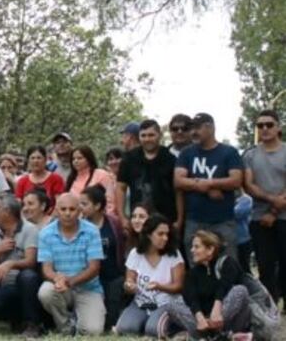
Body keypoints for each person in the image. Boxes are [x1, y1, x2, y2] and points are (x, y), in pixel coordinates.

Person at [37, 193, 106, 335]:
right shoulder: (45, 233)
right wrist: (57, 279)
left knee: (92, 331)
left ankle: (79, 320)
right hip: (61, 287)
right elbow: (46, 268)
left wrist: (70, 281)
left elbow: (94, 268)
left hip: (88, 288)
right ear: (56, 210)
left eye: (72, 209)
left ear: (79, 211)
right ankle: (66, 326)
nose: (67, 213)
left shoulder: (92, 231)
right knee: (46, 292)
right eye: (63, 209)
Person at [164, 230, 251, 339]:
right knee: (172, 303)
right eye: (192, 247)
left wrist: (217, 310)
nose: (192, 250)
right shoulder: (192, 273)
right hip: (202, 324)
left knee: (240, 290)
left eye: (196, 247)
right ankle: (212, 336)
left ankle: (223, 334)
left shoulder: (227, 263)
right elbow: (191, 298)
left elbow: (224, 285)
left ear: (210, 249)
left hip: (229, 320)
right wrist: (200, 318)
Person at [175, 112, 243, 251]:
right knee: (197, 267)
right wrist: (205, 186)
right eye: (192, 128)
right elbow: (178, 181)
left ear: (211, 128)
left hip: (223, 222)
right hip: (194, 221)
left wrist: (209, 183)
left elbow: (236, 181)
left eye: (198, 128)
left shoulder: (229, 152)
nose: (193, 132)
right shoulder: (186, 153)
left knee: (226, 267)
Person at [0, 196, 42, 337]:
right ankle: (15, 320)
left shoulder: (29, 229)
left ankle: (32, 325)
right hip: (4, 286)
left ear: (6, 211)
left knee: (27, 276)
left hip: (27, 286)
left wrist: (10, 263)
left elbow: (31, 261)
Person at [242, 108, 286, 304]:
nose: (265, 128)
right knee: (265, 265)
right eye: (260, 125)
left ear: (278, 127)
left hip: (284, 217)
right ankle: (270, 305)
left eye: (269, 124)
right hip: (259, 218)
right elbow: (248, 185)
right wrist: (271, 201)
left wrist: (275, 211)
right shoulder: (250, 155)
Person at [116, 214, 184, 336]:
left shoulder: (173, 254)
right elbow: (129, 280)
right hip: (140, 302)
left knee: (153, 331)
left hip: (166, 303)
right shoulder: (135, 253)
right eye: (160, 234)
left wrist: (159, 286)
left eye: (167, 234)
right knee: (126, 329)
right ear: (148, 234)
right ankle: (141, 321)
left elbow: (178, 286)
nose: (165, 238)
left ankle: (173, 328)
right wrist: (130, 286)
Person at [116, 119, 179, 229]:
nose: (147, 139)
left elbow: (178, 191)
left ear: (159, 135)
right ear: (139, 137)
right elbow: (121, 188)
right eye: (143, 135)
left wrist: (179, 220)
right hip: (138, 221)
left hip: (165, 220)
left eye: (151, 135)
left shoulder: (170, 159)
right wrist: (122, 217)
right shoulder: (129, 159)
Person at [79, 185, 126, 329]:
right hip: (89, 279)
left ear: (98, 205)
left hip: (112, 277)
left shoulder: (113, 223)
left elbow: (122, 245)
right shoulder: (79, 225)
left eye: (84, 204)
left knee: (110, 320)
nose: (80, 207)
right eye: (79, 203)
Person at [66, 145, 117, 215]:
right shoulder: (71, 179)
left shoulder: (101, 174)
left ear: (88, 159)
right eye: (73, 159)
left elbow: (110, 200)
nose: (76, 161)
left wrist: (108, 218)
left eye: (79, 158)